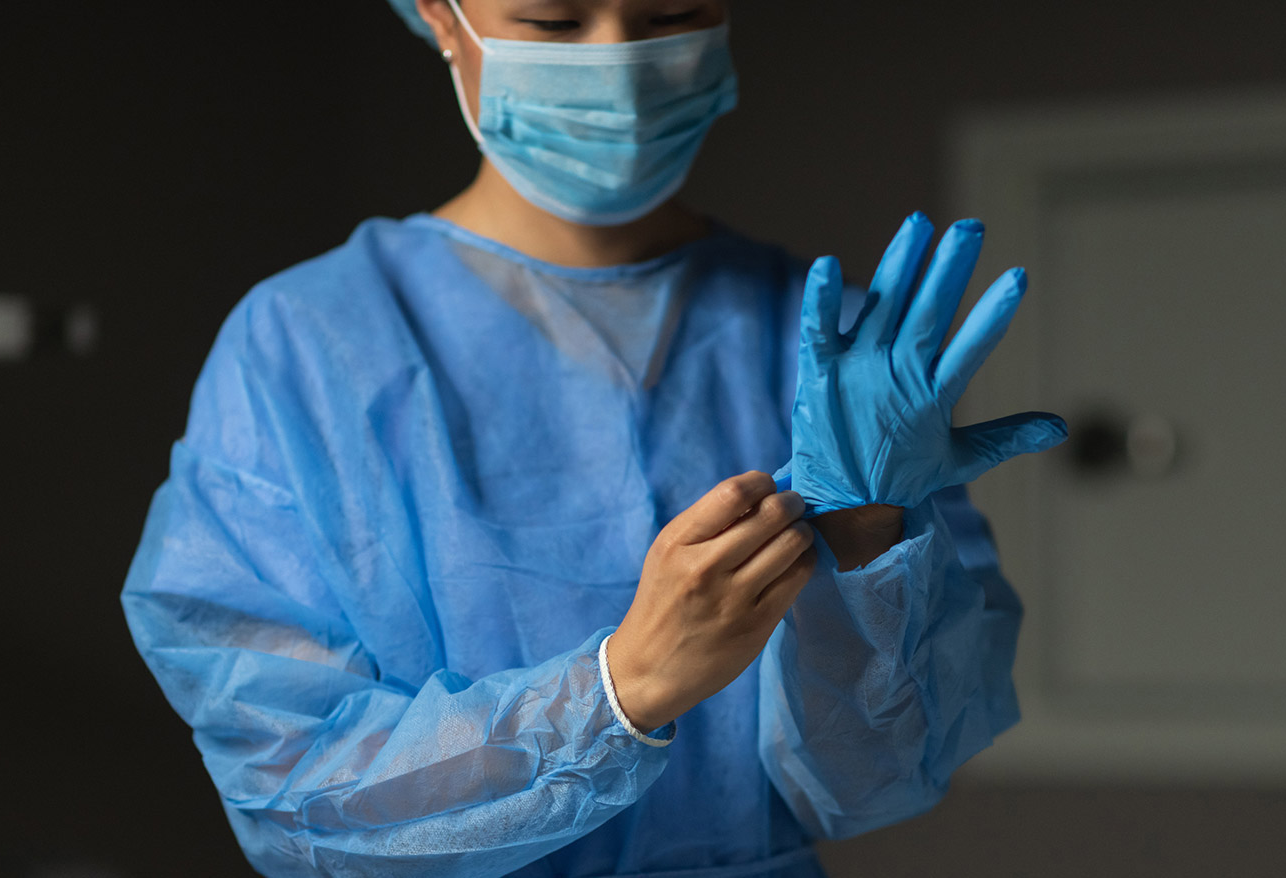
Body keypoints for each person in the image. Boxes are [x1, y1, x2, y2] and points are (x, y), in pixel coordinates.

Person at [119, 1, 1067, 876]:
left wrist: (867, 542)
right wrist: (625, 687)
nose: (617, 63)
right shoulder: (309, 343)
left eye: (667, 17)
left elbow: (883, 781)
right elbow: (294, 792)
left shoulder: (831, 354)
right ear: (443, 17)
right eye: (554, 18)